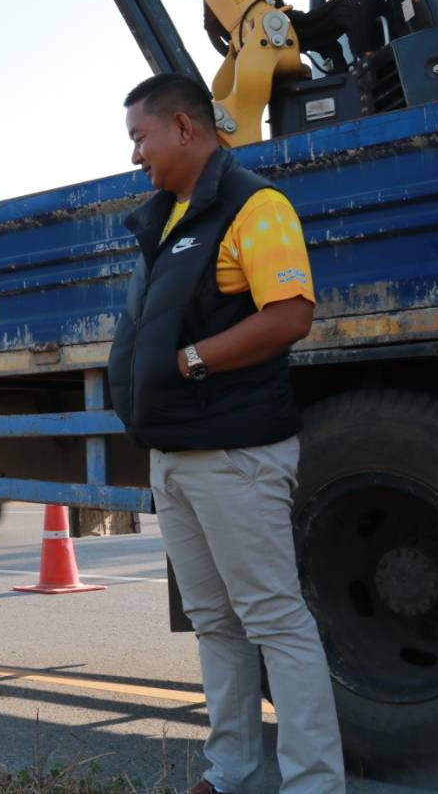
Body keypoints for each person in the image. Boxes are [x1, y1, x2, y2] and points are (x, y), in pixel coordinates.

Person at [106, 74, 344, 794]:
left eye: (140, 138)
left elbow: (290, 314)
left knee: (274, 620)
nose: (135, 155)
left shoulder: (255, 206)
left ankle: (313, 784)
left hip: (235, 454)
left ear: (184, 127)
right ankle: (232, 772)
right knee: (215, 622)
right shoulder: (168, 219)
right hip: (176, 456)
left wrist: (191, 361)